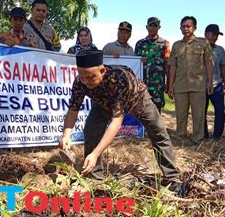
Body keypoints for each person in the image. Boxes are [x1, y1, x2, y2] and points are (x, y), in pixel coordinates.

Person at [60, 50, 188, 196]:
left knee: (158, 132)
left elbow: (116, 123)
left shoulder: (118, 79)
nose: (87, 82)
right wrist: (66, 135)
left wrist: (95, 153)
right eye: (83, 78)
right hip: (103, 104)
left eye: (91, 77)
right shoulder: (80, 82)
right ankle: (95, 178)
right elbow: (72, 110)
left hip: (138, 100)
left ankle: (171, 176)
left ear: (102, 70)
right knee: (91, 131)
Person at [167, 16, 213, 144]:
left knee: (198, 114)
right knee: (180, 113)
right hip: (180, 85)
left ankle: (197, 137)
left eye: (189, 26)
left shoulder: (203, 43)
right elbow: (172, 66)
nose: (186, 29)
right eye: (183, 26)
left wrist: (210, 82)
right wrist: (170, 85)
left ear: (194, 27)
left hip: (198, 84)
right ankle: (180, 135)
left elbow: (209, 63)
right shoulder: (176, 45)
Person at [135, 17, 170, 113]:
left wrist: (169, 82)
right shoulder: (139, 44)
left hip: (157, 84)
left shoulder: (164, 44)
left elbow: (167, 64)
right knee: (141, 109)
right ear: (146, 27)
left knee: (156, 110)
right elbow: (134, 64)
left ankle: (156, 128)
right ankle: (143, 128)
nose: (152, 28)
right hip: (142, 83)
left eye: (155, 26)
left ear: (159, 27)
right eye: (151, 25)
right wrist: (140, 60)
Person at [203, 24, 225, 141]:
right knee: (201, 112)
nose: (215, 37)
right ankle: (204, 135)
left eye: (217, 35)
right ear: (206, 34)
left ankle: (217, 135)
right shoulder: (198, 48)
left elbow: (223, 67)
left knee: (220, 110)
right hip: (201, 85)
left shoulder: (220, 50)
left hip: (217, 84)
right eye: (213, 34)